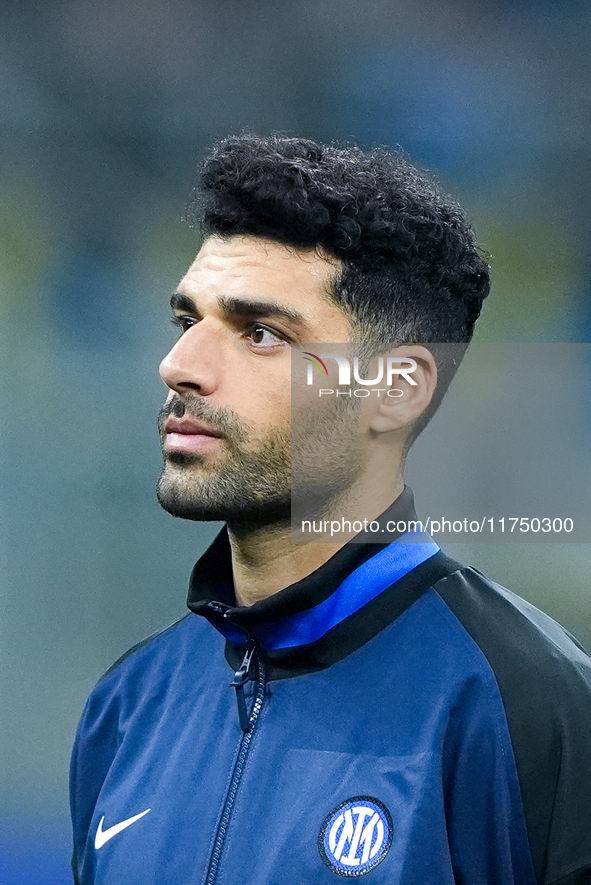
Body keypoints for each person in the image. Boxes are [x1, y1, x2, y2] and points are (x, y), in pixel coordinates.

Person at [70, 135, 591, 885]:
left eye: (259, 334)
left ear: (397, 388)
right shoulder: (126, 707)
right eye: (189, 321)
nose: (179, 365)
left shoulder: (535, 711)